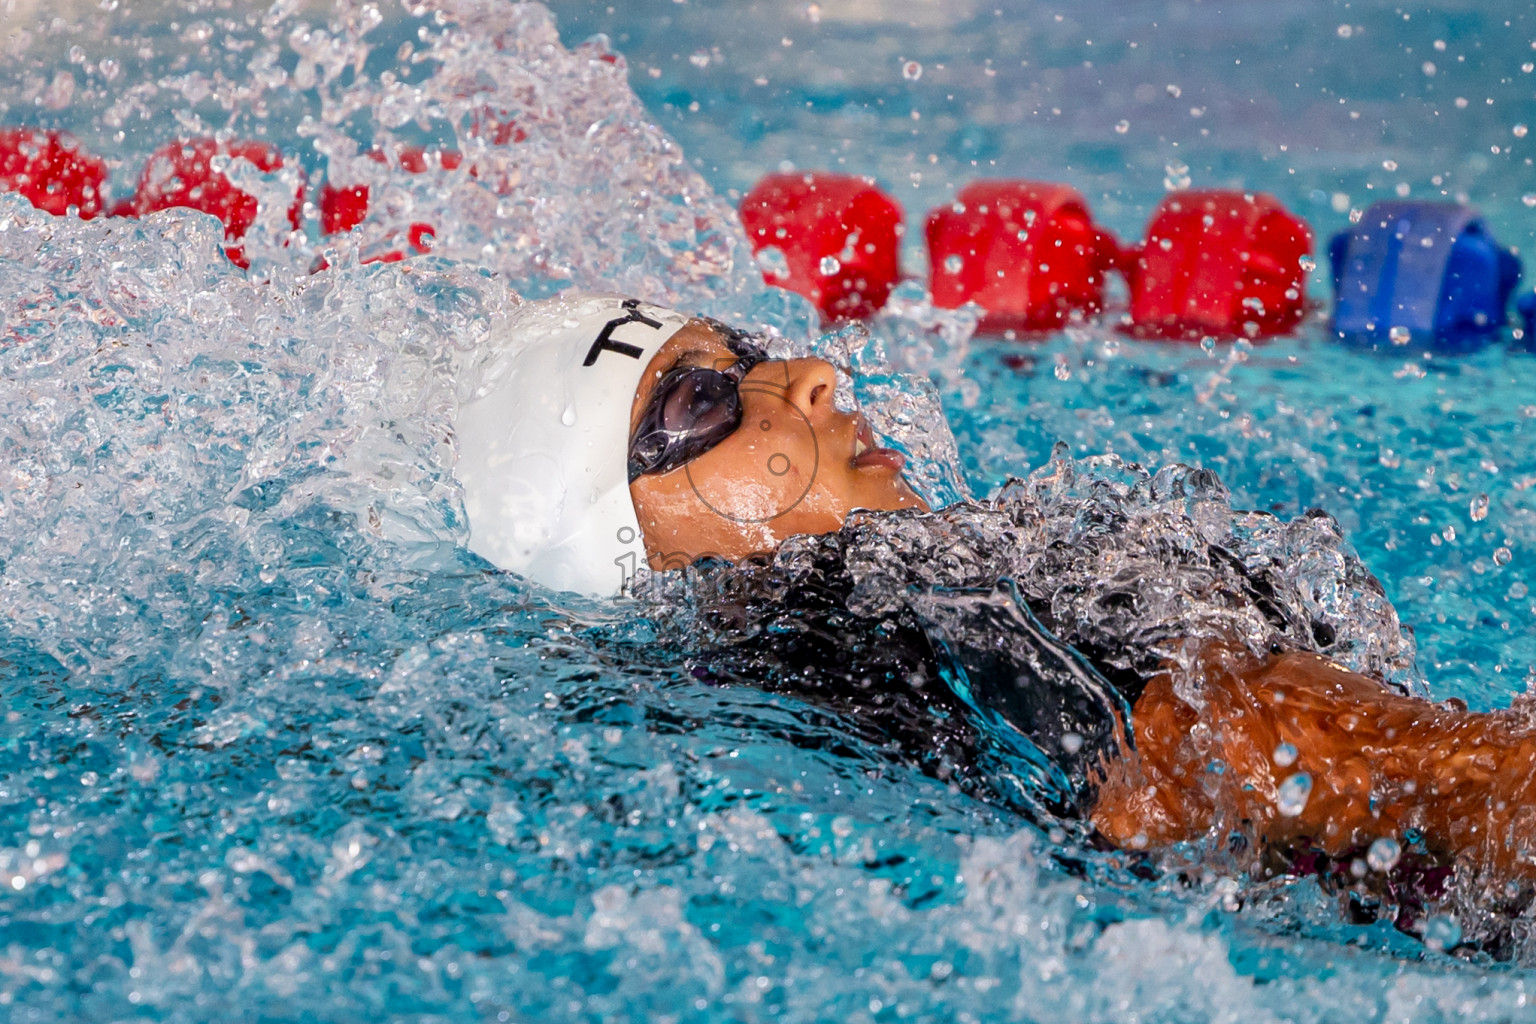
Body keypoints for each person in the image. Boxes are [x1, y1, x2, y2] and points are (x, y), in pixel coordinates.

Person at [453, 291, 1536, 917]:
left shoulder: (790, 668)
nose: (809, 372)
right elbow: (1213, 740)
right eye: (702, 399)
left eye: (746, 352)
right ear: (625, 542)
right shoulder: (863, 603)